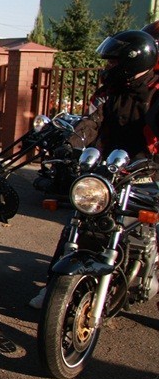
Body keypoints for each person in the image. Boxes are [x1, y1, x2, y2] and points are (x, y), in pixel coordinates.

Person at [29, 29, 159, 309]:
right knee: (78, 221)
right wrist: (70, 143)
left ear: (132, 63)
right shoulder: (111, 92)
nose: (107, 68)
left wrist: (147, 161)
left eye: (113, 63)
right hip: (111, 167)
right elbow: (92, 122)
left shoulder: (156, 93)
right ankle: (53, 286)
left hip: (148, 171)